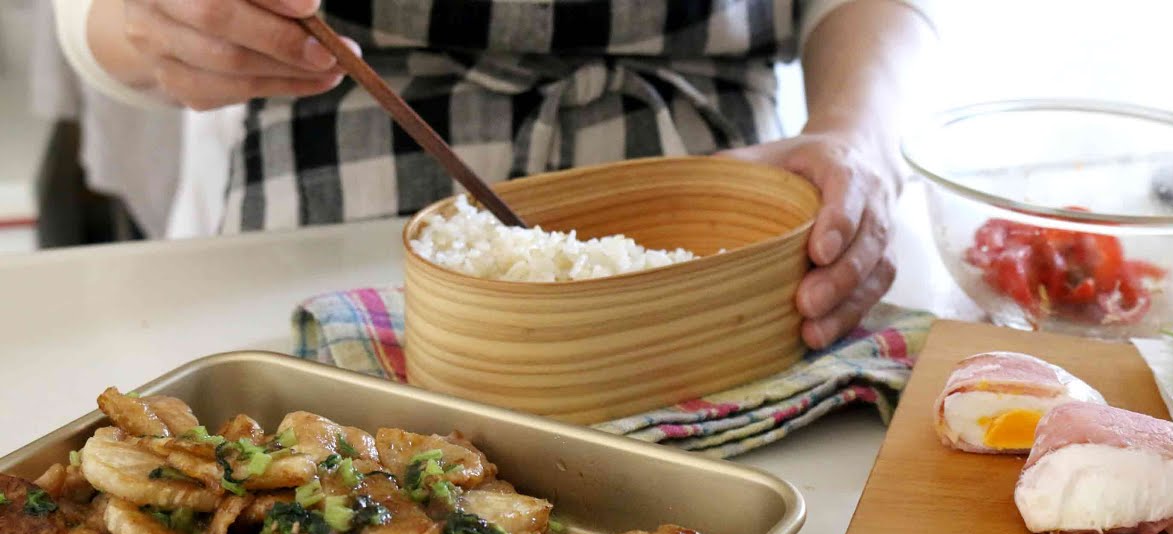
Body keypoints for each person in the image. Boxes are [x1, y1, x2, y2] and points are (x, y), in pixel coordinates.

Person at [55, 0, 934, 349]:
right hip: (320, 208)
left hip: (721, 232)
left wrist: (859, 135)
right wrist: (144, 25)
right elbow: (103, 18)